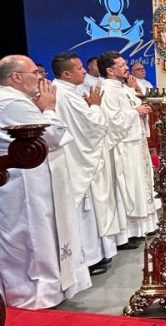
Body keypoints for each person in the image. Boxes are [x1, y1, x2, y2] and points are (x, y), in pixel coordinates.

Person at [0, 54, 91, 308]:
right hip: (24, 185)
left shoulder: (16, 100)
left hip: (29, 179)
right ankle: (35, 294)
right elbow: (51, 136)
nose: (41, 78)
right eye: (34, 73)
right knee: (31, 238)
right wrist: (49, 108)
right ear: (16, 77)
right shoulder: (11, 102)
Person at [51, 52, 122, 275]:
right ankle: (89, 257)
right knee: (85, 209)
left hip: (79, 156)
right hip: (80, 159)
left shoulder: (66, 91)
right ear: (66, 74)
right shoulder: (67, 95)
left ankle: (94, 254)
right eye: (80, 68)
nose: (85, 71)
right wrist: (94, 106)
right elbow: (93, 126)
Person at [97, 51, 158, 242]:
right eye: (121, 65)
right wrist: (136, 111)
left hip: (135, 142)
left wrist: (141, 108)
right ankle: (131, 230)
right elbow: (111, 120)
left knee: (141, 183)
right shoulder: (106, 90)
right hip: (124, 145)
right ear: (110, 70)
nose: (126, 68)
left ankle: (145, 225)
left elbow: (133, 107)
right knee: (130, 186)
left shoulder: (122, 88)